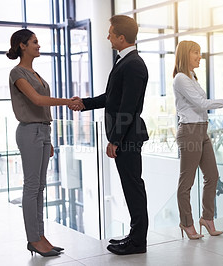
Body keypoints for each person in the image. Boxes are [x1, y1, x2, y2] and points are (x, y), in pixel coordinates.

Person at [70, 15, 149, 255]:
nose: (108, 37)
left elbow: (127, 106)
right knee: (130, 186)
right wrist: (83, 103)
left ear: (121, 37)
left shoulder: (133, 64)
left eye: (111, 33)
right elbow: (111, 98)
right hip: (125, 134)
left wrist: (115, 140)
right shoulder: (125, 62)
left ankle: (137, 242)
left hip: (127, 136)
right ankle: (135, 236)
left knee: (133, 187)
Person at [7, 29, 81, 257]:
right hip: (29, 131)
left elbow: (42, 107)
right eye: (34, 42)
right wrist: (68, 102)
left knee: (40, 187)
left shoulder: (36, 73)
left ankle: (40, 236)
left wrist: (48, 139)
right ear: (22, 45)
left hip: (42, 131)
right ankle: (33, 239)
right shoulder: (17, 73)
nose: (38, 45)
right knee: (31, 187)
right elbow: (37, 100)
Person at [173, 40, 223, 240]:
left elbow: (200, 104)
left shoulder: (192, 77)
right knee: (186, 182)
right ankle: (186, 222)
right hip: (190, 131)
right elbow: (201, 103)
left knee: (212, 176)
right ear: (186, 54)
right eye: (196, 53)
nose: (199, 56)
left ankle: (207, 219)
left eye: (200, 53)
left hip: (202, 130)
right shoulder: (180, 78)